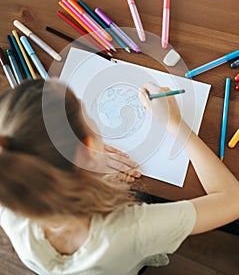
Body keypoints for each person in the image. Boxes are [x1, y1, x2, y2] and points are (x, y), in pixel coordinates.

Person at [0, 79, 238, 275]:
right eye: (88, 116)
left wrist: (84, 166)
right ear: (88, 146)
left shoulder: (9, 186)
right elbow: (232, 200)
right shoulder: (131, 228)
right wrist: (175, 124)